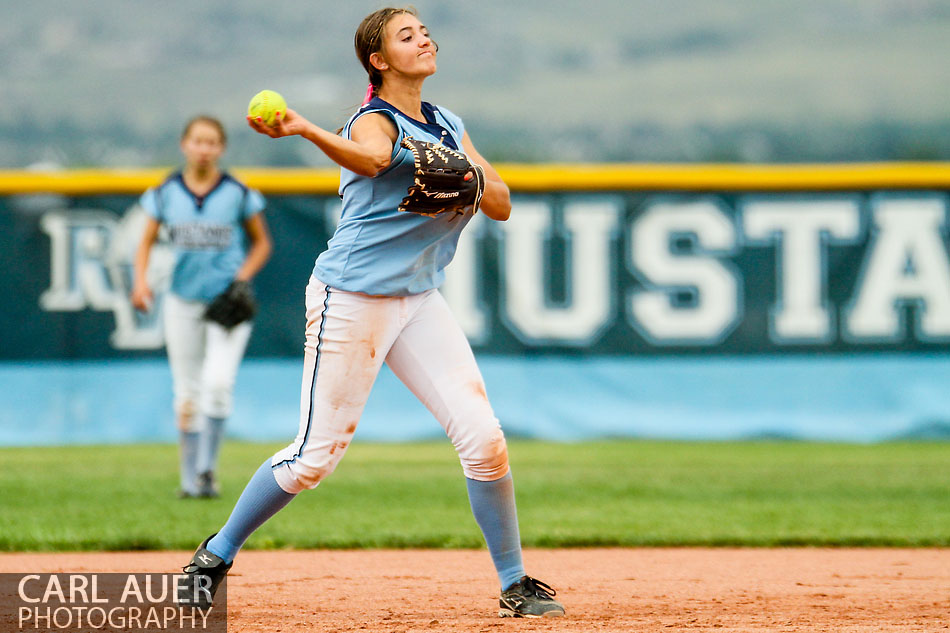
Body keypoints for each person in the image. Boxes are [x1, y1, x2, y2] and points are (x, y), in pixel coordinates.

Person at [179, 7, 565, 618]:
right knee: (314, 457)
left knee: (485, 439)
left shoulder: (447, 122)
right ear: (378, 62)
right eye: (406, 35)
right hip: (351, 299)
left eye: (425, 30)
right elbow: (373, 160)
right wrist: (305, 129)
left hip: (418, 299)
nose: (424, 38)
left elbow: (501, 203)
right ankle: (215, 555)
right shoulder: (371, 121)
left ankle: (514, 583)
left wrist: (460, 167)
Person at [131, 115, 273, 499]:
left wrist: (242, 277)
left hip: (225, 302)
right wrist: (140, 281)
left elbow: (262, 243)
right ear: (185, 144)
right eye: (198, 141)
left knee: (218, 384)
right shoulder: (165, 193)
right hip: (181, 301)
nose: (204, 148)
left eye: (212, 142)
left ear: (221, 149)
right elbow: (144, 241)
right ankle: (189, 479)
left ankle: (207, 471)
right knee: (187, 393)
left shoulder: (237, 192)